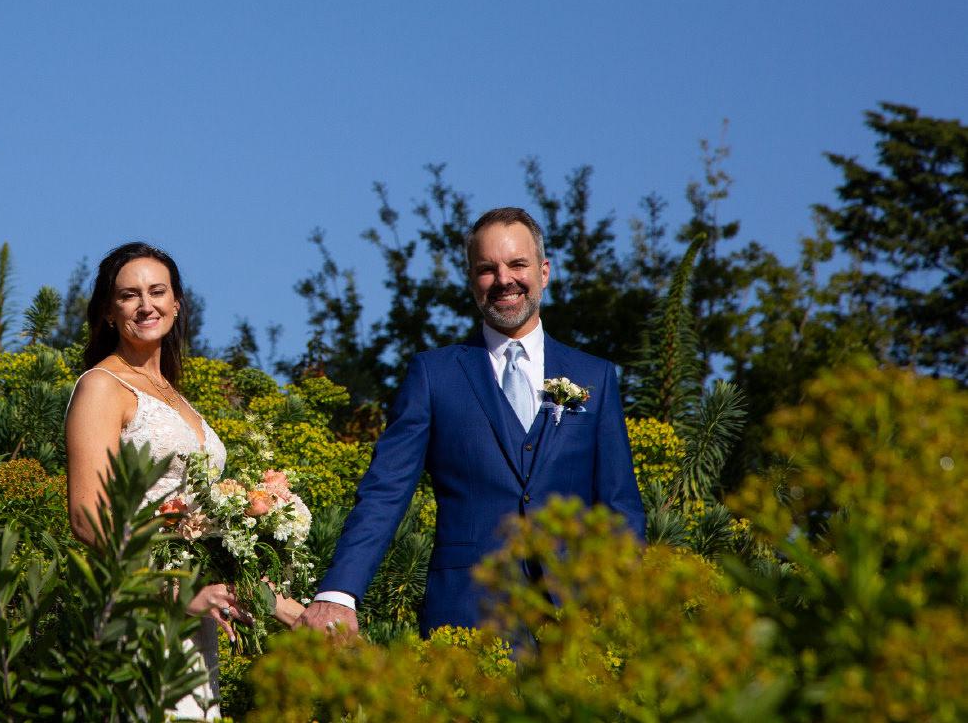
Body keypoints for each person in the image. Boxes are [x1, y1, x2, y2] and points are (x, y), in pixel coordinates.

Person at [295, 207, 646, 639]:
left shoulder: (596, 377)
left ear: (544, 271)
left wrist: (632, 609)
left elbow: (619, 509)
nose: (504, 280)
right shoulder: (433, 375)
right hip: (465, 617)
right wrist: (339, 592)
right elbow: (386, 490)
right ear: (471, 280)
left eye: (517, 264)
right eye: (487, 269)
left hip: (578, 622)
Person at [65, 242, 299, 720]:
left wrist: (288, 608)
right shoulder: (102, 387)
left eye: (157, 291)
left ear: (177, 303)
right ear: (110, 311)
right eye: (129, 295)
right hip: (141, 608)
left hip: (194, 615)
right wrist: (176, 592)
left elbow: (204, 527)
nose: (145, 304)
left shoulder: (176, 397)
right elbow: (89, 520)